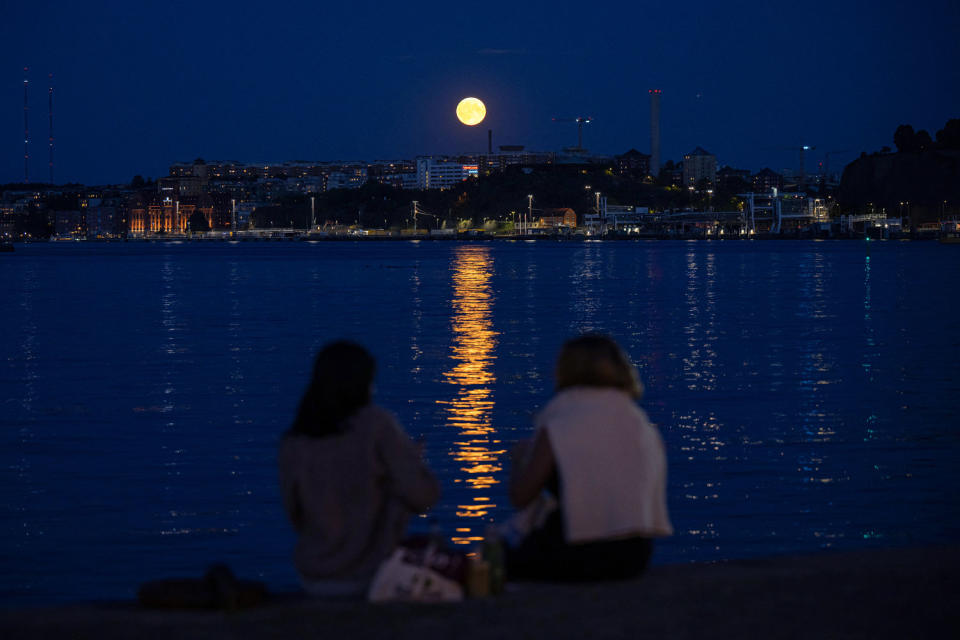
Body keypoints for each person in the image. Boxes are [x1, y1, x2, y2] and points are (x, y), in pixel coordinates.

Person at [278, 341, 440, 597]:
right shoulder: (376, 427)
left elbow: (295, 515)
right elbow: (424, 497)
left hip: (312, 575)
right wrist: (411, 463)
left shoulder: (294, 442)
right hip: (369, 574)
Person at [506, 334, 673, 581]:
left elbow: (520, 496)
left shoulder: (562, 419)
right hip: (635, 554)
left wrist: (520, 460)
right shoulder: (639, 422)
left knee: (496, 558)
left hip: (575, 551)